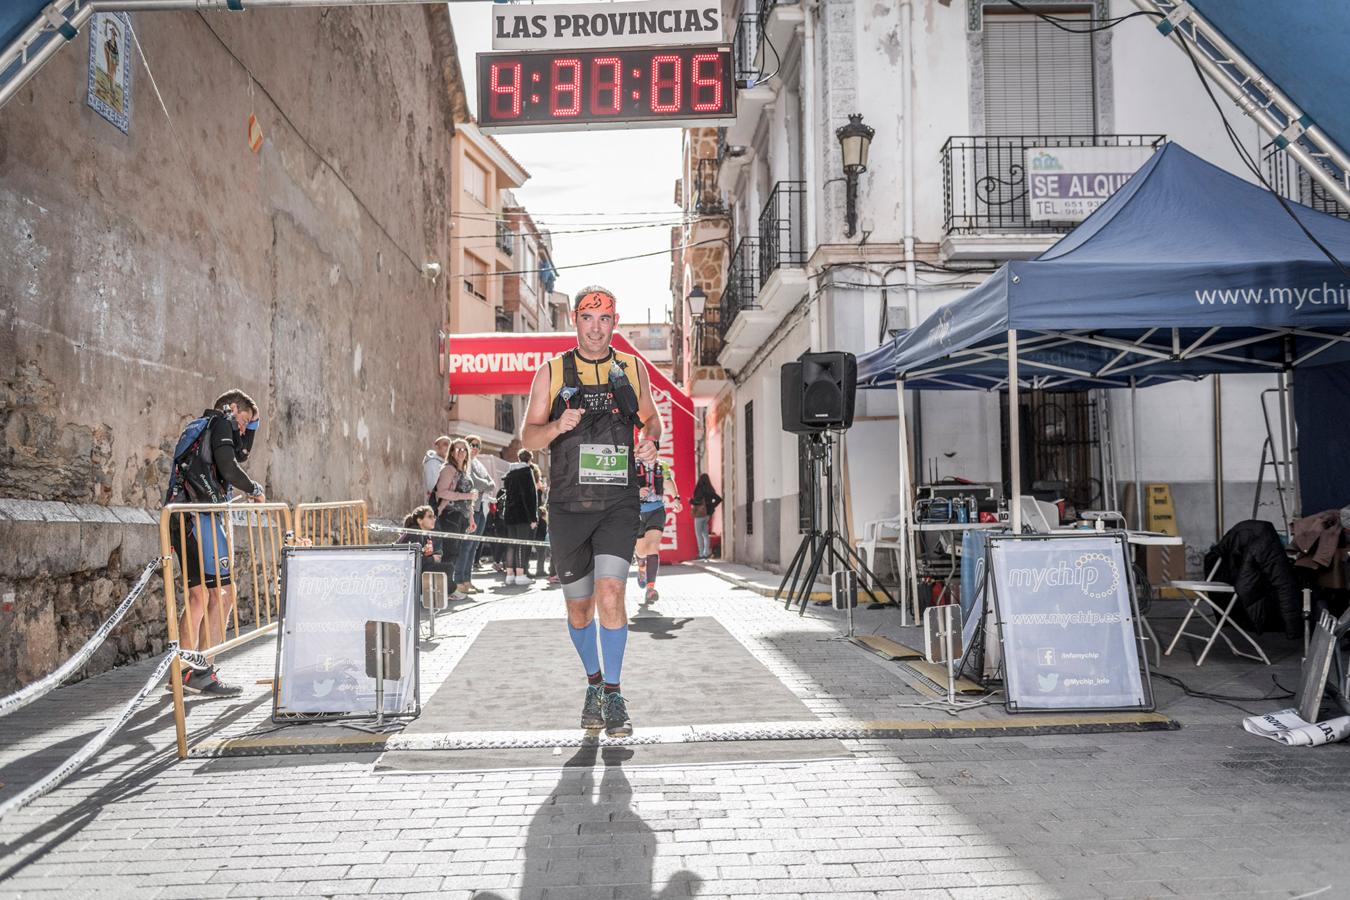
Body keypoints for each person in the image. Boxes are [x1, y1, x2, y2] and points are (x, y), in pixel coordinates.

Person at [521, 285, 660, 738]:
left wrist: (651, 441)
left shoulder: (632, 368)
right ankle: (595, 685)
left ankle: (615, 694)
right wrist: (558, 425)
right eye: (587, 317)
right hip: (567, 506)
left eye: (604, 318)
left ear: (614, 322)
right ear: (575, 321)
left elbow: (651, 419)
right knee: (579, 610)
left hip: (617, 503)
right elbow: (528, 438)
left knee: (611, 595)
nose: (596, 327)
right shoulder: (553, 371)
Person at [163, 389, 267, 697]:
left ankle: (192, 670)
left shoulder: (207, 427)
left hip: (189, 514)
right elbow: (230, 466)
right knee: (210, 596)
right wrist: (255, 488)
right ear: (232, 408)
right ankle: (193, 671)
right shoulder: (222, 421)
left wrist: (254, 424)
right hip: (195, 516)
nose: (243, 431)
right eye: (244, 421)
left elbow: (239, 454)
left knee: (213, 594)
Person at [433, 437, 479, 600]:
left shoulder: (463, 471)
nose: (461, 452)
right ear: (452, 452)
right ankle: (446, 589)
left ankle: (448, 588)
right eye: (457, 449)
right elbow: (442, 492)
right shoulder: (448, 469)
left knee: (455, 552)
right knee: (450, 553)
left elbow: (469, 500)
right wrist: (466, 495)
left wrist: (471, 518)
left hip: (462, 517)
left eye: (464, 449)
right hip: (449, 515)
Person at [634, 459, 681, 603]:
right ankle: (641, 566)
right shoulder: (630, 463)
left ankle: (650, 588)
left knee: (653, 547)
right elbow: (621, 487)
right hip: (635, 512)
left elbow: (667, 481)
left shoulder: (662, 464)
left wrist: (676, 498)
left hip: (656, 510)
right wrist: (636, 491)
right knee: (641, 551)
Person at [460, 434, 497, 590]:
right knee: (466, 546)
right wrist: (485, 485)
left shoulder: (479, 464)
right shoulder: (465, 462)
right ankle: (459, 581)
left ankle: (467, 580)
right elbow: (475, 482)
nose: (474, 448)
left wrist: (485, 485)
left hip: (481, 508)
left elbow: (492, 483)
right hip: (470, 509)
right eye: (471, 444)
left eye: (477, 446)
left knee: (474, 546)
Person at [500, 449, 540, 585]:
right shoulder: (526, 472)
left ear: (518, 458)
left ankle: (509, 574)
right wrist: (533, 518)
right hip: (523, 515)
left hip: (510, 514)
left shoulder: (510, 473)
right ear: (530, 459)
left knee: (511, 545)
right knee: (522, 544)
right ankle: (520, 575)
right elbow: (529, 497)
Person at [395, 505, 454, 578]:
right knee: (447, 568)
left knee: (448, 567)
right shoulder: (415, 533)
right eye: (430, 517)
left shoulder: (425, 535)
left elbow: (424, 556)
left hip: (417, 568)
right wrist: (433, 559)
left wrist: (434, 556)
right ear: (419, 520)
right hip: (405, 570)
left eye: (434, 517)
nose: (433, 519)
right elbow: (413, 559)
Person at [689, 473, 722, 559]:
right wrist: (711, 506)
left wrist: (691, 501)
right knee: (705, 534)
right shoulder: (710, 490)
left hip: (699, 515)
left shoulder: (699, 489)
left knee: (698, 534)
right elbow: (719, 499)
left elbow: (697, 501)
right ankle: (706, 552)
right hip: (707, 515)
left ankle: (701, 554)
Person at [422, 435, 451, 505]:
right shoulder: (433, 463)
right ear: (437, 447)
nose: (448, 448)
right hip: (435, 503)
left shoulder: (445, 463)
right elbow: (432, 486)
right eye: (445, 444)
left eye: (450, 445)